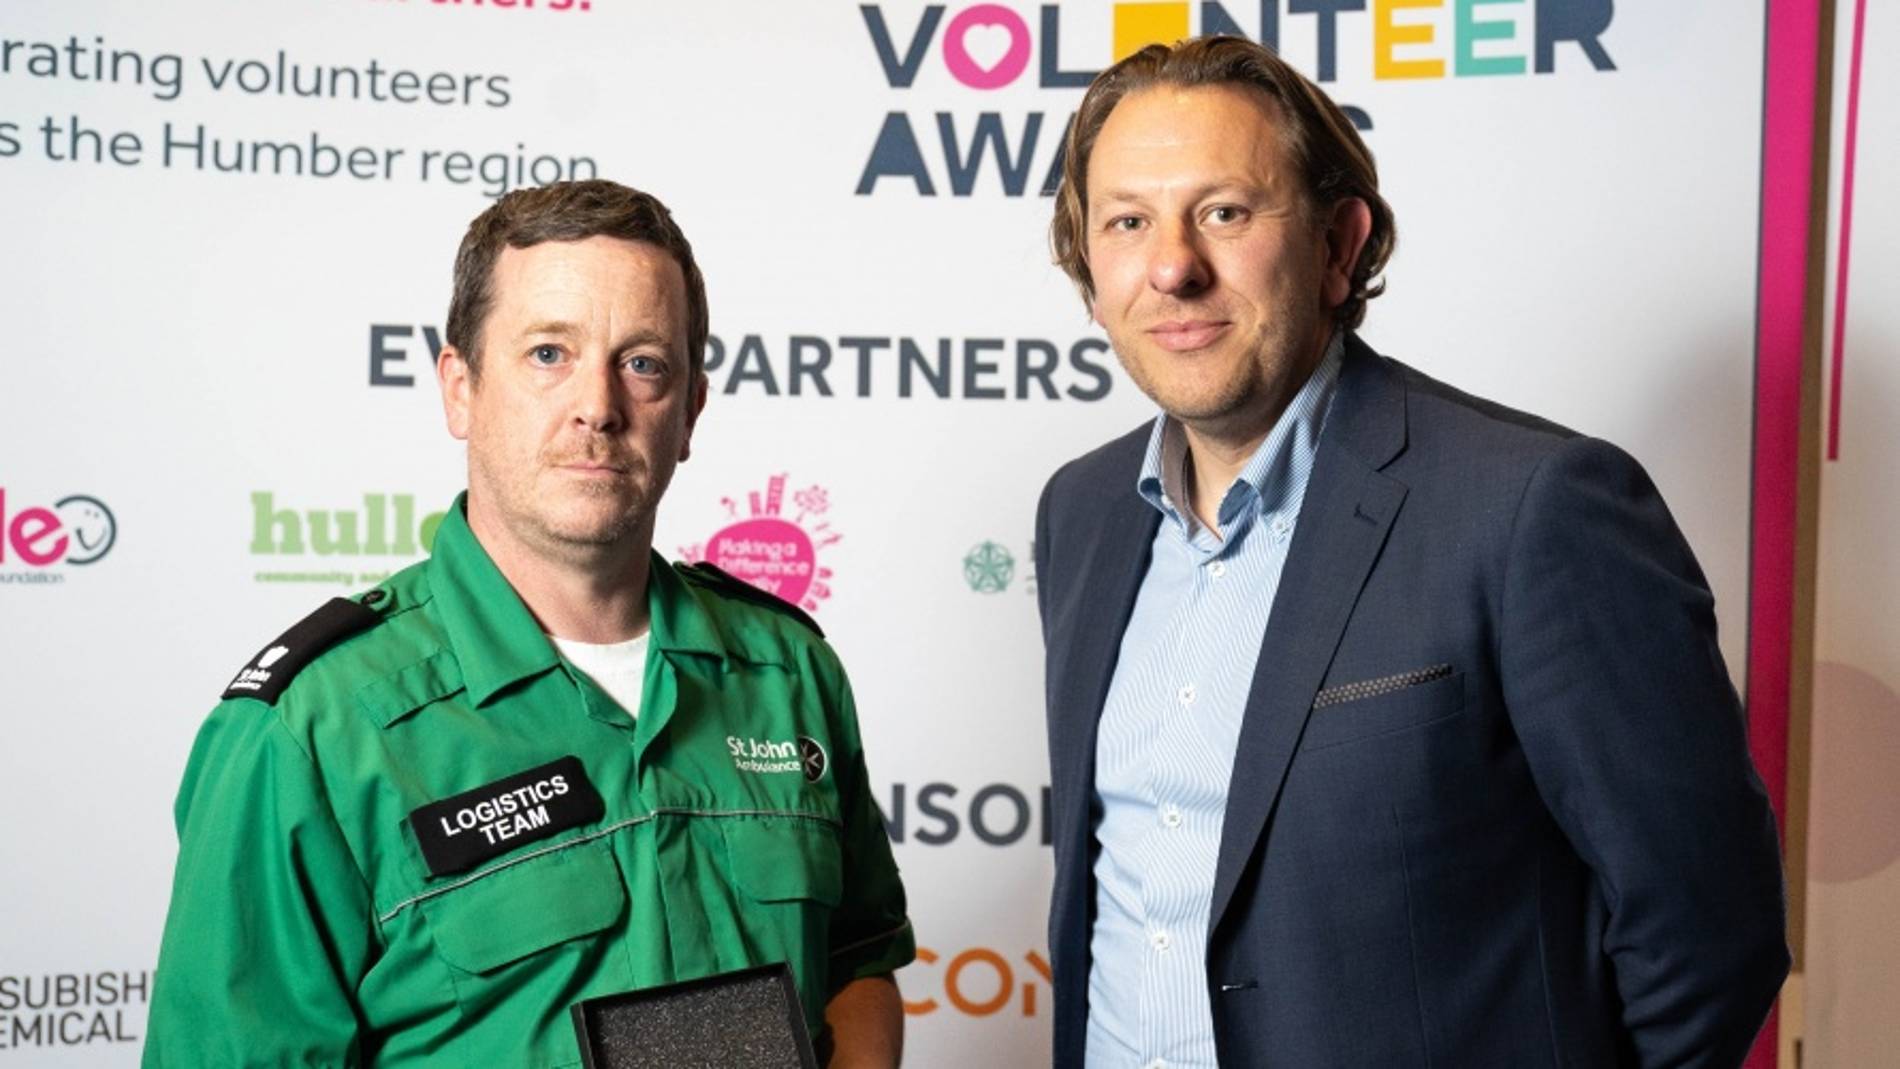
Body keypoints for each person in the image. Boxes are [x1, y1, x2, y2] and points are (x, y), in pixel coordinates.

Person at [1034, 36, 1788, 1068]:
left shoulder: (1531, 507)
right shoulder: (1079, 514)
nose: (1172, 264)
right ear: (1090, 270)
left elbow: (1710, 924)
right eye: (1127, 221)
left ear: (1340, 246)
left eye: (1223, 211)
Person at [146, 180, 913, 1067]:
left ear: (690, 411)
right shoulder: (311, 731)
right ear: (460, 389)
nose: (597, 405)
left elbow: (858, 963)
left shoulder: (788, 672)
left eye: (643, 362)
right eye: (549, 353)